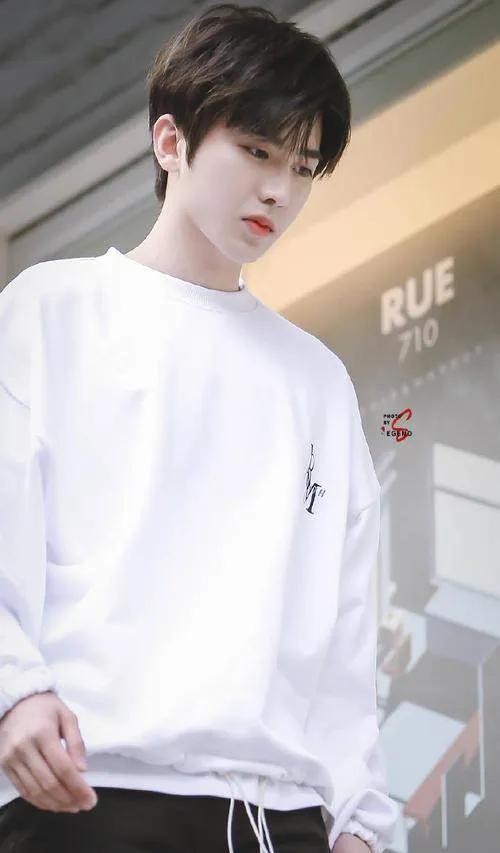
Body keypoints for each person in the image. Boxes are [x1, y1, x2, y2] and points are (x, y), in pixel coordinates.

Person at [0, 4, 398, 852]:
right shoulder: (50, 312)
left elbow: (342, 630)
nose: (279, 191)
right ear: (170, 141)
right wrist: (13, 689)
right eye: (256, 151)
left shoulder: (316, 381)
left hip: (279, 819)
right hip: (88, 793)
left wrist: (360, 821)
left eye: (302, 166)